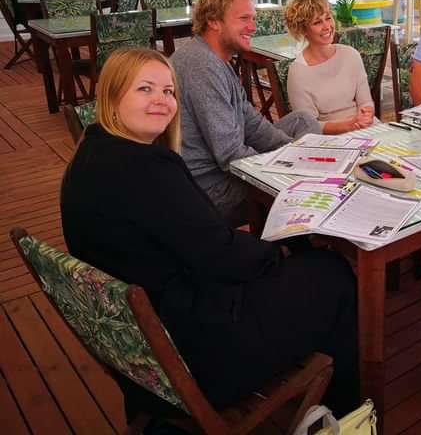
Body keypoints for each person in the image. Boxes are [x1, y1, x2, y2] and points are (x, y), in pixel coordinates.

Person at [60, 48, 359, 419]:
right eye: (145, 89)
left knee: (295, 259)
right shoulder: (148, 168)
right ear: (112, 96)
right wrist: (275, 254)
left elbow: (195, 243)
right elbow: (219, 253)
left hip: (146, 355)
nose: (162, 100)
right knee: (333, 272)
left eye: (169, 92)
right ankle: (346, 415)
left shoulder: (89, 156)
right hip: (200, 354)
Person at [171, 0, 320, 227]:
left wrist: (296, 154)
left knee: (303, 122)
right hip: (207, 188)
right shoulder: (201, 66)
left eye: (253, 18)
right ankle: (299, 247)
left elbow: (251, 123)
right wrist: (287, 171)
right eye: (243, 19)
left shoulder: (217, 60)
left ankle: (299, 230)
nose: (253, 26)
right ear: (213, 21)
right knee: (295, 191)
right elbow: (231, 155)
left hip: (220, 166)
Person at [284, 0, 375, 133]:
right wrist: (350, 125)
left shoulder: (351, 55)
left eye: (328, 18)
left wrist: (366, 115)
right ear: (302, 30)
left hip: (367, 128)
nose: (327, 26)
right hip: (330, 140)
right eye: (317, 22)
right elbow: (309, 126)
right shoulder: (298, 72)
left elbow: (366, 102)